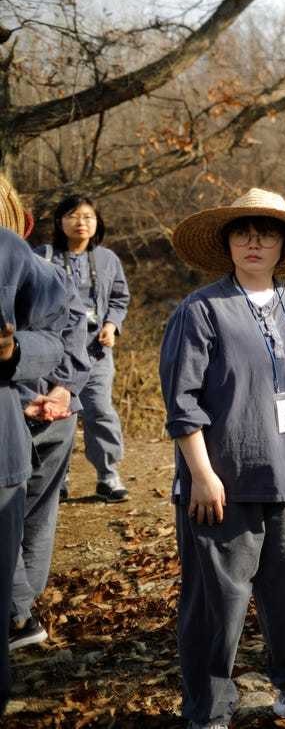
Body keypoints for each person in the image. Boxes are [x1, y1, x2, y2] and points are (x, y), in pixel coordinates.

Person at [161, 189, 285, 729]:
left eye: (266, 231)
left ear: (284, 242)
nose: (254, 241)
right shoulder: (201, 310)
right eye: (243, 231)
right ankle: (210, 710)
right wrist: (201, 475)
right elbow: (182, 402)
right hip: (222, 485)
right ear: (227, 242)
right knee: (216, 604)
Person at [2, 179, 91, 654]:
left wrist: (52, 392)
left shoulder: (21, 266)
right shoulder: (46, 271)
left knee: (13, 514)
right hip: (56, 406)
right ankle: (23, 613)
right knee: (37, 515)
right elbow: (78, 334)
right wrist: (62, 389)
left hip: (29, 412)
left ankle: (18, 615)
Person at [0, 186, 70, 715]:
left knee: (36, 517)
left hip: (7, 445)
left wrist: (16, 351)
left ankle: (21, 610)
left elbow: (55, 338)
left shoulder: (10, 253)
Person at [35, 195, 131, 502]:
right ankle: (56, 477)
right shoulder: (42, 256)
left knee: (99, 410)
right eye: (73, 216)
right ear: (60, 222)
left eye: (88, 217)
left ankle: (107, 475)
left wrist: (112, 325)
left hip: (96, 351)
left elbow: (119, 298)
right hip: (53, 350)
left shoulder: (107, 259)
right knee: (55, 411)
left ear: (97, 223)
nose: (81, 222)